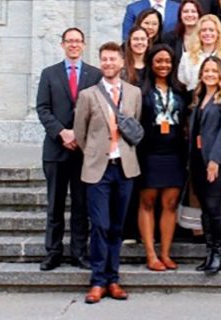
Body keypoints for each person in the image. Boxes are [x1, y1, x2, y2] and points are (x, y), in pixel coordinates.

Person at [73, 42, 142, 304]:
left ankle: (113, 279)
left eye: (113, 59)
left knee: (117, 227)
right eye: (104, 60)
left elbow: (135, 125)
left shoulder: (134, 93)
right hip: (98, 170)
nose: (108, 63)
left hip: (124, 168)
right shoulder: (88, 95)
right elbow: (80, 132)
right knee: (100, 225)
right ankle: (97, 281)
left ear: (122, 63)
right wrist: (93, 152)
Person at [35, 27, 102, 271]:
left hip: (83, 151)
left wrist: (78, 134)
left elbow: (99, 110)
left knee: (81, 204)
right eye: (69, 41)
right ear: (63, 45)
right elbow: (42, 108)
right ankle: (53, 252)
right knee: (55, 204)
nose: (73, 45)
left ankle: (79, 252)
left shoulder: (95, 75)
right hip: (55, 149)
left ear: (83, 45)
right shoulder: (49, 74)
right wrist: (62, 132)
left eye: (77, 41)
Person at [137, 44, 190, 272]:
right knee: (147, 203)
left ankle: (166, 254)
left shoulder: (180, 91)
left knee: (170, 204)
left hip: (174, 153)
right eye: (159, 61)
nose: (163, 65)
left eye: (168, 61)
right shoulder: (141, 91)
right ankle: (151, 254)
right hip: (149, 153)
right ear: (151, 63)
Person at [188, 56, 221, 275]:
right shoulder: (199, 95)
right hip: (197, 160)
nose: (210, 74)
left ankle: (219, 253)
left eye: (214, 71)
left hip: (216, 161)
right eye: (206, 70)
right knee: (204, 209)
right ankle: (209, 252)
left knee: (214, 207)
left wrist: (214, 160)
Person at [177, 14, 221, 95]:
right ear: (198, 34)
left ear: (218, 33)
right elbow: (183, 82)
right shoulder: (187, 57)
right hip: (194, 102)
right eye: (204, 30)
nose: (207, 33)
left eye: (211, 30)